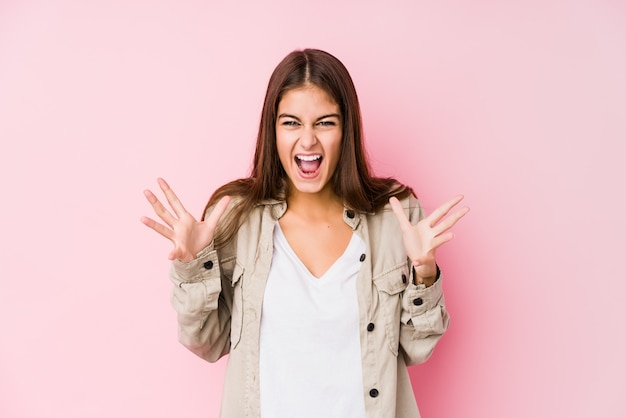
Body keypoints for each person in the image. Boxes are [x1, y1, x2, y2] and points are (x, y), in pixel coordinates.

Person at [141, 48, 468, 418]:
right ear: (273, 130)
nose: (308, 141)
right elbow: (206, 342)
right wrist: (191, 266)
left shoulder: (394, 216)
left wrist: (425, 273)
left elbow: (416, 348)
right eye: (291, 123)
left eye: (325, 123)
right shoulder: (237, 217)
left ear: (346, 130)